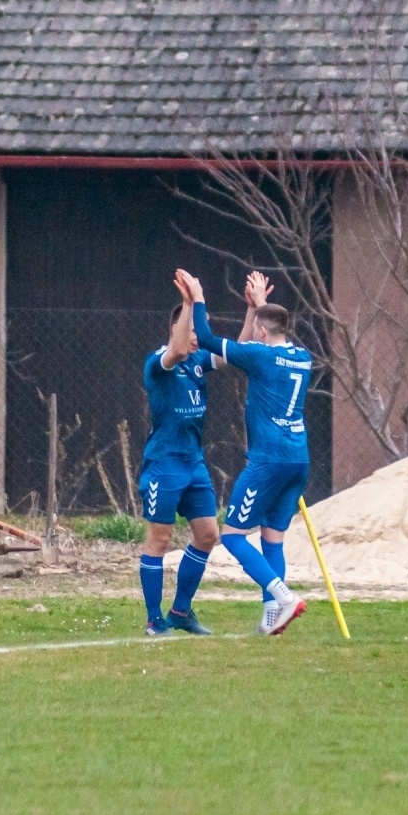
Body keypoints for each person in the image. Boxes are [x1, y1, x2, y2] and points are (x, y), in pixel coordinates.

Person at [177, 267, 310, 636]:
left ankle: (283, 597)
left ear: (262, 333)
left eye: (257, 329)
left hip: (268, 460)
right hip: (298, 458)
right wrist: (261, 305)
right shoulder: (303, 356)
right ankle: (272, 620)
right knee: (272, 537)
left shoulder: (259, 356)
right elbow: (271, 329)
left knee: (233, 535)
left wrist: (199, 297)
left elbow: (203, 336)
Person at [134, 281, 224, 637]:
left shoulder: (199, 361)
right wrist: (189, 302)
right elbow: (173, 351)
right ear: (176, 330)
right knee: (160, 537)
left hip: (194, 464)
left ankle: (181, 611)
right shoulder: (158, 363)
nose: (197, 338)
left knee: (207, 534)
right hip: (164, 465)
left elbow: (233, 350)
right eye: (190, 330)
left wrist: (252, 310)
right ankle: (155, 620)